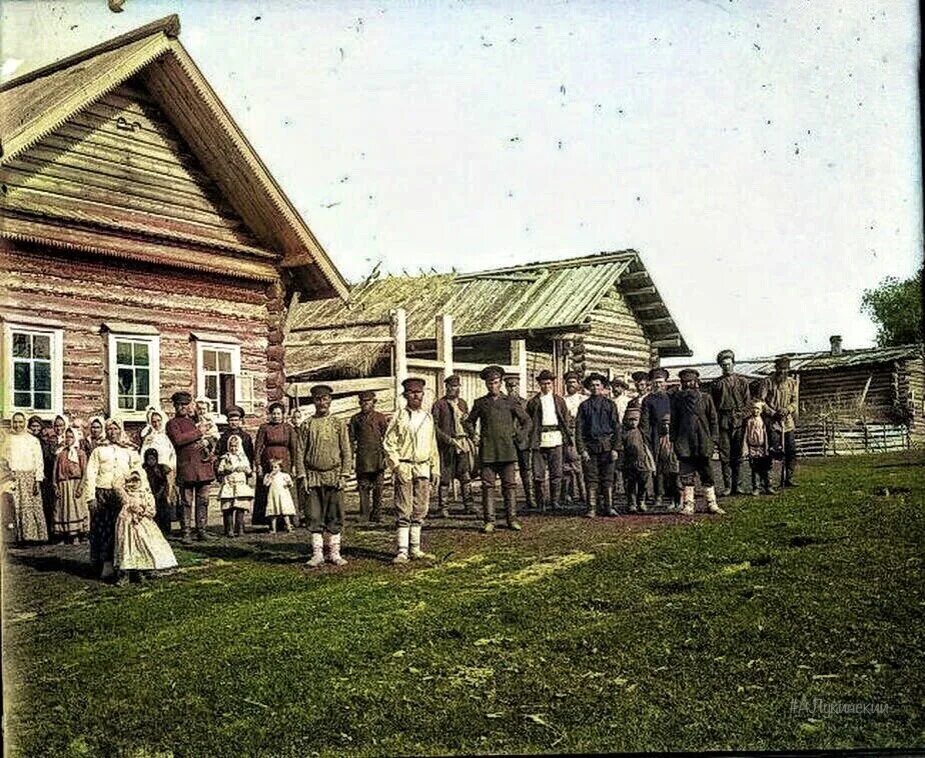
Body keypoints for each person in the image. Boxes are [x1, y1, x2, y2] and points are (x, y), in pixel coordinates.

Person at [465, 365, 532, 533]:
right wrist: (474, 435)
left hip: (508, 451)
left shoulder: (510, 401)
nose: (492, 386)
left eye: (495, 382)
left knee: (509, 486)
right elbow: (468, 422)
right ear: (486, 384)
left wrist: (519, 437)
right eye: (489, 383)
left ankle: (512, 519)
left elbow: (527, 421)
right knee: (488, 486)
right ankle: (490, 521)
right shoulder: (480, 403)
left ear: (500, 383)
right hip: (487, 451)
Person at [382, 376, 440, 563]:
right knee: (403, 508)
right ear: (406, 395)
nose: (416, 396)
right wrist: (396, 466)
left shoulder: (427, 417)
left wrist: (435, 468)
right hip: (405, 467)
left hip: (423, 467)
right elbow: (388, 443)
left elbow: (433, 445)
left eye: (419, 392)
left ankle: (415, 548)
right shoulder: (399, 416)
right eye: (412, 392)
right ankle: (402, 551)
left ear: (423, 395)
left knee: (420, 508)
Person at [299, 385, 352, 567]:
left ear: (330, 401)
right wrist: (302, 476)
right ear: (314, 401)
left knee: (334, 514)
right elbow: (300, 452)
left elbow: (346, 450)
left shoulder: (338, 423)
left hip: (334, 475)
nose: (322, 402)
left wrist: (344, 474)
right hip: (313, 476)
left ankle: (335, 553)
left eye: (325, 399)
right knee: (314, 515)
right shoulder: (306, 424)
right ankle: (317, 554)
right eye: (318, 399)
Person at [84, 417, 140, 579]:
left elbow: (137, 472)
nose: (112, 432)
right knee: (102, 530)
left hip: (122, 494)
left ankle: (126, 565)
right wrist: (91, 497)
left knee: (123, 529)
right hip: (102, 493)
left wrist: (134, 493)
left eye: (116, 429)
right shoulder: (99, 450)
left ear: (121, 430)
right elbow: (91, 474)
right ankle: (105, 564)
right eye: (109, 429)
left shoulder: (129, 450)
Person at [113, 466, 178, 584]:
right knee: (127, 547)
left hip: (144, 525)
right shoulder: (126, 497)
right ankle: (125, 574)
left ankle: (142, 571)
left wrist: (144, 512)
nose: (133, 484)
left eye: (136, 481)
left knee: (143, 546)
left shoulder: (145, 494)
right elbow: (116, 485)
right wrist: (125, 475)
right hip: (128, 525)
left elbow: (152, 510)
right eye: (130, 481)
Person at [671, 369, 722, 515]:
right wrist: (674, 440)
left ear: (696, 382)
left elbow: (713, 420)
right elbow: (674, 421)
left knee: (707, 473)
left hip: (703, 441)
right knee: (686, 474)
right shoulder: (677, 399)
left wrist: (714, 439)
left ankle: (712, 504)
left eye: (690, 381)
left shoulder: (706, 398)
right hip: (685, 443)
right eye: (684, 382)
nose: (688, 384)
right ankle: (688, 505)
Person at [166, 391, 215, 543]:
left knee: (203, 500)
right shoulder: (172, 423)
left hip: (203, 465)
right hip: (186, 466)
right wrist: (198, 432)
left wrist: (209, 441)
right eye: (179, 405)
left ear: (189, 405)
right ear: (174, 406)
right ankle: (186, 531)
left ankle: (202, 530)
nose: (182, 407)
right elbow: (178, 440)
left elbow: (212, 436)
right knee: (186, 501)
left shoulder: (197, 420)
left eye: (185, 404)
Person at [575, 372, 622, 517]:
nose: (595, 388)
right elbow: (579, 430)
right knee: (591, 477)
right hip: (590, 447)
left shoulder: (610, 405)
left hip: (607, 447)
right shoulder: (584, 406)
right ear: (588, 388)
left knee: (608, 477)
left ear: (603, 387)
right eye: (592, 385)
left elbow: (616, 428)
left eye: (598, 385)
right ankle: (591, 508)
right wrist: (582, 450)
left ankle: (609, 507)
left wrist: (615, 448)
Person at [525, 369, 571, 511]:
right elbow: (528, 421)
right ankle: (541, 503)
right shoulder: (533, 402)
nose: (546, 386)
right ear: (539, 384)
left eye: (549, 383)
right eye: (543, 384)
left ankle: (555, 502)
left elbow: (565, 419)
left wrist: (566, 436)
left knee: (556, 472)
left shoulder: (559, 401)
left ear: (553, 384)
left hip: (556, 438)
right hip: (539, 440)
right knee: (538, 474)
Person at [431, 375, 475, 517]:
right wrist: (447, 440)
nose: (454, 389)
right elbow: (434, 427)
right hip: (447, 445)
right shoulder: (439, 404)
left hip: (462, 443)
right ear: (447, 388)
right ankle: (443, 507)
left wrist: (469, 425)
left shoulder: (462, 403)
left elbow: (468, 423)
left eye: (456, 386)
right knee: (445, 476)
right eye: (451, 387)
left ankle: (469, 505)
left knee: (465, 475)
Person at [1, 411, 48, 543]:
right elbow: (4, 459)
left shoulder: (33, 440)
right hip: (13, 476)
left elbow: (38, 461)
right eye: (15, 422)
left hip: (29, 476)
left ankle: (31, 536)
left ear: (25, 423)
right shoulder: (8, 439)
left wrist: (37, 479)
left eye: (20, 422)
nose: (17, 425)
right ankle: (15, 536)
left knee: (29, 506)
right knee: (13, 506)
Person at [711, 349, 752, 496]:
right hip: (723, 421)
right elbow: (713, 407)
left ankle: (738, 485)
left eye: (729, 364)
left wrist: (742, 416)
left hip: (739, 421)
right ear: (720, 366)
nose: (726, 367)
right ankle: (728, 486)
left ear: (733, 364)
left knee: (738, 455)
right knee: (725, 455)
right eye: (723, 365)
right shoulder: (716, 384)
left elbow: (748, 404)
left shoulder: (742, 382)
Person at [254, 402, 301, 528]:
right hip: (267, 461)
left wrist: (294, 465)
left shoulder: (288, 428)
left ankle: (289, 521)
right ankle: (269, 521)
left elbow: (294, 448)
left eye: (278, 414)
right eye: (274, 414)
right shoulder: (264, 428)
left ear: (283, 415)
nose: (276, 416)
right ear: (270, 415)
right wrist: (258, 464)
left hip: (285, 460)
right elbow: (258, 447)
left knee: (285, 488)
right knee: (269, 489)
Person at [758, 356, 799, 488]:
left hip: (787, 423)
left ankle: (789, 478)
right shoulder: (767, 382)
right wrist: (772, 412)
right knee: (773, 451)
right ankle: (770, 481)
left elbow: (795, 401)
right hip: (772, 423)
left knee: (791, 450)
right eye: (780, 369)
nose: (782, 372)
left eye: (785, 369)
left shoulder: (792, 383)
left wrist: (787, 410)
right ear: (776, 368)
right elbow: (761, 401)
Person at [348, 390, 389, 522]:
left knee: (378, 487)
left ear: (374, 402)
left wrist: (386, 455)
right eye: (363, 401)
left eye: (368, 401)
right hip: (363, 458)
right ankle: (364, 514)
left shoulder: (380, 418)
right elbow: (351, 439)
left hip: (378, 458)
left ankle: (377, 514)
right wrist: (351, 458)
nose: (365, 404)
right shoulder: (355, 419)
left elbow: (387, 437)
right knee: (363, 487)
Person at [639, 367, 672, 507]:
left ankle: (672, 496)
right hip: (654, 434)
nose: (658, 385)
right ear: (651, 383)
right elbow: (645, 419)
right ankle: (658, 495)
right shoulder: (648, 400)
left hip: (670, 435)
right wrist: (646, 437)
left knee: (671, 465)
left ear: (665, 383)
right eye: (655, 382)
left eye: (661, 382)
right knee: (657, 466)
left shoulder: (671, 397)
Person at [503, 373, 536, 511]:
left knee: (526, 469)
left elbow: (530, 422)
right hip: (506, 442)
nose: (512, 389)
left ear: (518, 386)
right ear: (505, 386)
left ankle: (530, 497)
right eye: (509, 386)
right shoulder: (502, 402)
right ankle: (510, 501)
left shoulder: (525, 403)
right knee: (507, 471)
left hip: (522, 441)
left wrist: (523, 435)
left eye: (514, 385)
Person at [139, 406, 177, 525]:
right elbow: (143, 453)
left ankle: (167, 524)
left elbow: (173, 453)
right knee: (153, 497)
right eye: (153, 421)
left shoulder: (167, 436)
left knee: (166, 496)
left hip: (166, 469)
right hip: (152, 471)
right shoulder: (149, 437)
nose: (156, 424)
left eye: (158, 421)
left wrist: (172, 468)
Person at [53, 425, 89, 543]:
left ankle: (76, 535)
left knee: (76, 509)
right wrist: (55, 486)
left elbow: (84, 472)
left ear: (75, 438)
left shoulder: (80, 453)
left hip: (76, 484)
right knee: (63, 510)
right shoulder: (60, 453)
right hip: (63, 485)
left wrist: (80, 487)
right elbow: (55, 471)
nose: (68, 439)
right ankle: (64, 534)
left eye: (71, 437)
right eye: (66, 437)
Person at [216, 434, 255, 536]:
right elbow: (220, 470)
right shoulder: (226, 458)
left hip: (240, 485)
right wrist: (226, 469)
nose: (233, 448)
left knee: (240, 507)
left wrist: (245, 469)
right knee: (228, 508)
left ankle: (240, 528)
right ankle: (229, 529)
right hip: (229, 484)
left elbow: (249, 471)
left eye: (235, 446)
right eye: (231, 446)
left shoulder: (243, 457)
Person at [620, 407, 654, 513]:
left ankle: (641, 501)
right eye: (630, 420)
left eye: (635, 420)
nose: (633, 422)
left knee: (643, 482)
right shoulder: (623, 433)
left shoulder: (643, 431)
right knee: (630, 483)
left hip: (643, 460)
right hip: (628, 461)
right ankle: (632, 503)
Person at [28, 415, 56, 539]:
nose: (35, 429)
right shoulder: (27, 440)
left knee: (47, 504)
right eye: (33, 426)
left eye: (37, 426)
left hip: (46, 476)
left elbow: (49, 459)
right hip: (31, 474)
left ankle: (48, 532)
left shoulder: (44, 441)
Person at [562, 370, 588, 505]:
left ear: (578, 384)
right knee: (567, 465)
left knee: (580, 465)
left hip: (581, 434)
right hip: (567, 434)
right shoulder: (562, 400)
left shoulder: (583, 399)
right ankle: (568, 494)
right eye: (568, 382)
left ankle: (584, 493)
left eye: (573, 382)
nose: (570, 385)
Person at [741, 400, 774, 495]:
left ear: (762, 410)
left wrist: (767, 448)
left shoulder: (764, 421)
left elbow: (767, 435)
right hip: (752, 448)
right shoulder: (749, 421)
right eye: (754, 408)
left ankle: (768, 486)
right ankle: (756, 487)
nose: (756, 411)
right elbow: (746, 436)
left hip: (763, 448)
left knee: (766, 468)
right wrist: (745, 449)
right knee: (755, 469)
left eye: (758, 409)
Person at [143, 448, 173, 537]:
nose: (151, 461)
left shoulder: (162, 468)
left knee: (164, 514)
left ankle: (166, 532)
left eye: (153, 459)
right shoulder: (144, 468)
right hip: (149, 494)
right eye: (149, 459)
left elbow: (169, 480)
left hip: (161, 494)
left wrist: (168, 494)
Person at [655, 414, 682, 511]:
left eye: (668, 425)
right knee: (670, 484)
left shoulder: (677, 437)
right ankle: (673, 501)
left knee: (678, 483)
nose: (666, 427)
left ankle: (681, 501)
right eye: (664, 424)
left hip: (675, 462)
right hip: (665, 463)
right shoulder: (661, 438)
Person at [264, 458, 296, 533]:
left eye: (275, 467)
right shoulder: (269, 475)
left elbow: (290, 484)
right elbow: (266, 484)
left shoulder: (284, 475)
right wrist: (270, 476)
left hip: (283, 495)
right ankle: (273, 528)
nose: (273, 469)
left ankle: (288, 526)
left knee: (285, 512)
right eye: (272, 467)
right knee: (273, 513)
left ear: (280, 467)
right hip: (273, 495)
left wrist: (288, 483)